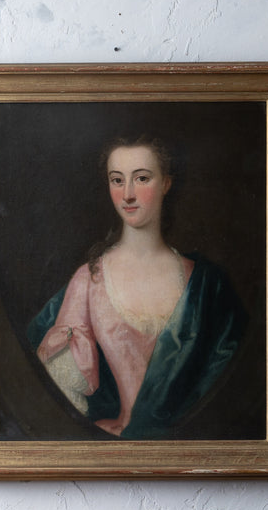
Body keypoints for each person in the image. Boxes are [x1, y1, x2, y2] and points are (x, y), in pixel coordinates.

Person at [27, 137, 247, 440]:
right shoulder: (89, 280)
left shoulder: (206, 285)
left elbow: (228, 386)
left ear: (166, 184)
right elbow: (63, 394)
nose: (128, 194)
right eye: (117, 181)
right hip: (118, 445)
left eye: (142, 178)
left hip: (196, 444)